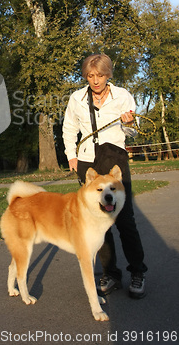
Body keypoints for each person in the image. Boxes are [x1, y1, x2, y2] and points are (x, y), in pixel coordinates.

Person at [62, 53, 147, 299]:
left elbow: (131, 132)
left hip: (115, 159)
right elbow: (69, 128)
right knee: (100, 224)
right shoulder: (77, 98)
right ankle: (110, 273)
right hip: (88, 160)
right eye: (90, 76)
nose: (95, 80)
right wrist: (71, 156)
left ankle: (138, 272)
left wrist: (129, 122)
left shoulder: (123, 96)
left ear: (108, 74)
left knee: (125, 220)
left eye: (100, 75)